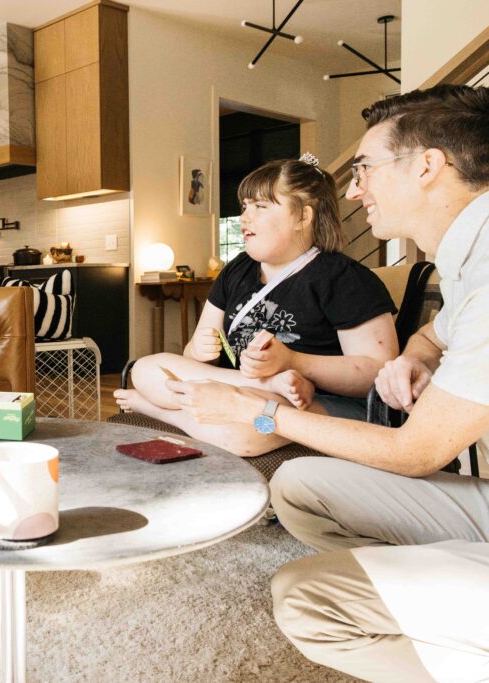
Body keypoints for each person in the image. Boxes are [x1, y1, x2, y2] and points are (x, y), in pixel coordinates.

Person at [168, 84, 489, 681]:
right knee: (297, 486)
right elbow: (434, 334)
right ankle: (437, 585)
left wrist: (259, 412)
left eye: (365, 168)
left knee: (307, 599)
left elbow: (415, 452)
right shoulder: (470, 259)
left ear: (427, 166)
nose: (354, 188)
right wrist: (414, 357)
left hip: (385, 437)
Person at [115, 156, 398, 457]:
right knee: (145, 369)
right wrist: (197, 351)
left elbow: (376, 372)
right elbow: (194, 355)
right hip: (239, 390)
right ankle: (269, 386)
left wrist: (293, 361)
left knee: (243, 433)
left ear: (303, 217)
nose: (244, 218)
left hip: (309, 402)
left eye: (260, 206)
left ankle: (158, 410)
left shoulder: (344, 278)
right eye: (244, 206)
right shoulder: (237, 269)